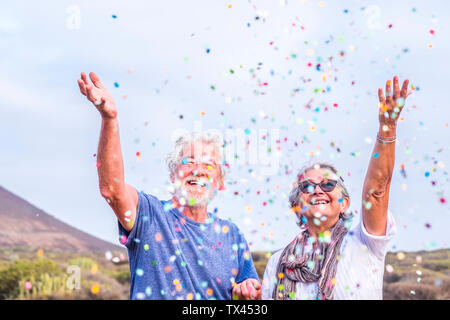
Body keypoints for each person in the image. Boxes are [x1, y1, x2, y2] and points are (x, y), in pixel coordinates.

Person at [77, 72, 261, 300]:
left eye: (208, 164)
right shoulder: (150, 215)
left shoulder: (232, 235)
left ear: (220, 182)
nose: (198, 170)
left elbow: (248, 293)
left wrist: (249, 293)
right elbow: (112, 191)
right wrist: (109, 119)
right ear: (173, 174)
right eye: (189, 161)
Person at [262, 76, 411, 300]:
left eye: (328, 184)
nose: (318, 190)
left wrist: (387, 128)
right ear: (296, 206)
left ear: (344, 203)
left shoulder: (362, 240)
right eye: (306, 186)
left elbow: (377, 191)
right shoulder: (278, 262)